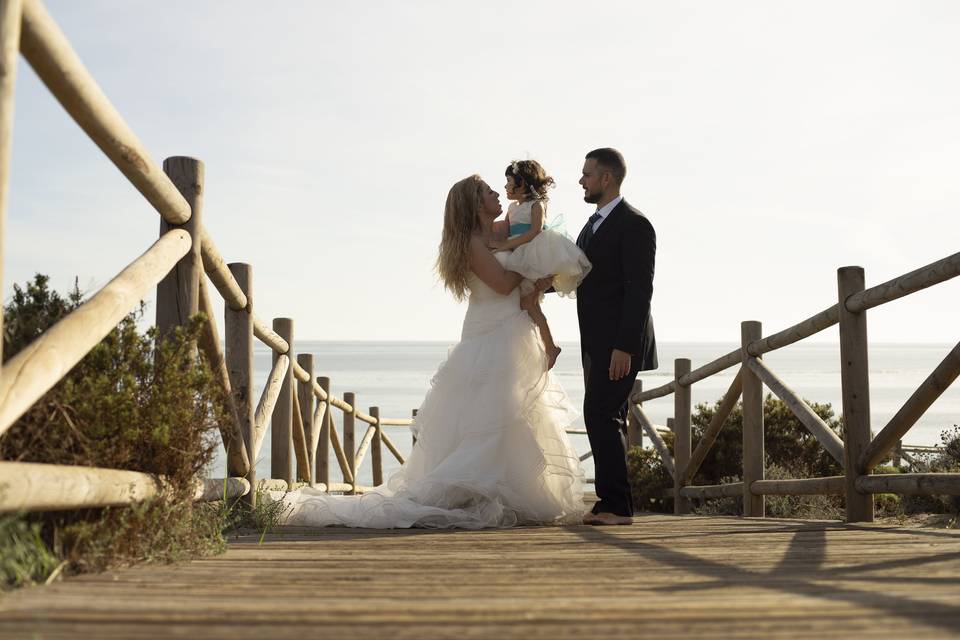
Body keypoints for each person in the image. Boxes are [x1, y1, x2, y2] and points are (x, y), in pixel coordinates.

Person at [269, 175, 584, 529]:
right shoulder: (472, 243)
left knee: (514, 414)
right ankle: (468, 488)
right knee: (489, 416)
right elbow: (504, 283)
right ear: (475, 204)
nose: (497, 193)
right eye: (488, 192)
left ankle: (509, 490)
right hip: (490, 334)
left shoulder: (497, 232)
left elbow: (529, 239)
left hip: (511, 329)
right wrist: (534, 272)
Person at [575, 148, 658, 526]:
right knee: (610, 416)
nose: (582, 181)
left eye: (587, 174)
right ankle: (610, 501)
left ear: (606, 178)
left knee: (599, 413)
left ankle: (618, 506)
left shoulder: (634, 224)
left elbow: (639, 290)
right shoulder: (591, 225)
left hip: (620, 344)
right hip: (595, 343)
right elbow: (576, 274)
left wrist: (625, 346)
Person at [488, 160, 591, 370]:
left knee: (529, 302)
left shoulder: (537, 205)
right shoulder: (511, 208)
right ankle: (540, 348)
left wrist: (506, 245)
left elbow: (534, 232)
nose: (506, 186)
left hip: (534, 254)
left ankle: (550, 347)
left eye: (509, 181)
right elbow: (504, 229)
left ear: (523, 184)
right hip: (518, 254)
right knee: (526, 304)